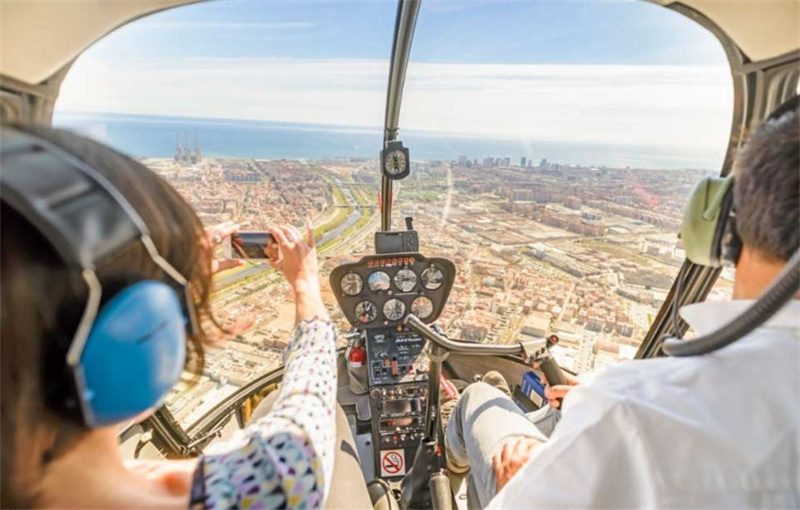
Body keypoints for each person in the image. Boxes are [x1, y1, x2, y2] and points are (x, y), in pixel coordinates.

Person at [444, 107, 800, 508]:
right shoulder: (628, 404)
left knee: (476, 398)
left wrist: (515, 488)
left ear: (724, 228)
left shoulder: (634, 410)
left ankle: (444, 476)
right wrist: (598, 398)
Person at [0, 125, 371, 509]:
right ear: (146, 338)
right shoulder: (259, 489)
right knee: (326, 419)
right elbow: (310, 404)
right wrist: (305, 283)